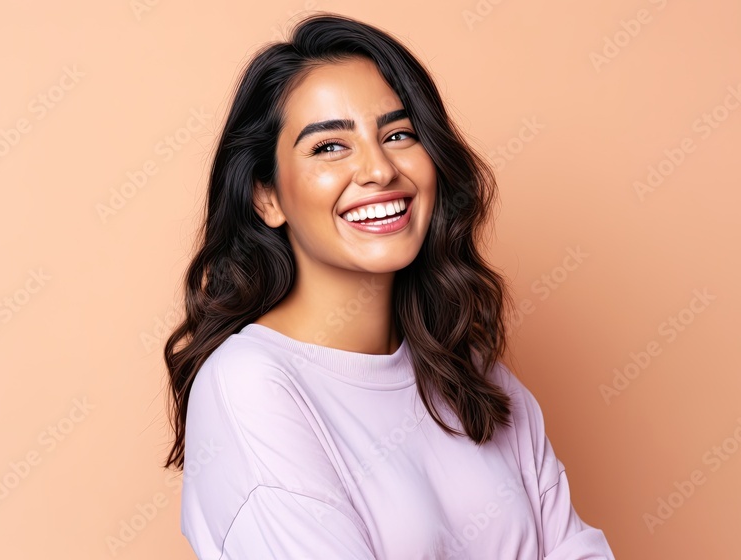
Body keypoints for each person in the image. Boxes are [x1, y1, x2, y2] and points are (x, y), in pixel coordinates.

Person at [162, 12, 616, 559]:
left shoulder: (467, 366)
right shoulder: (250, 386)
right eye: (329, 146)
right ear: (268, 197)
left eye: (398, 134)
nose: (378, 170)